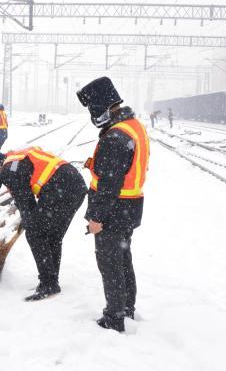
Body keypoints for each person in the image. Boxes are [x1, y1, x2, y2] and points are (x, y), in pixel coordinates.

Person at [76, 76, 150, 333]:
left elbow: (109, 184)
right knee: (123, 259)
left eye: (92, 109)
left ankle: (114, 317)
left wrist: (96, 218)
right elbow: (121, 170)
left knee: (110, 264)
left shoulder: (114, 137)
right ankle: (127, 307)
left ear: (102, 108)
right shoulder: (133, 127)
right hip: (130, 206)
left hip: (113, 210)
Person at [0, 147, 86, 301]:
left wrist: (29, 221)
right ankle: (51, 281)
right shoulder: (16, 158)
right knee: (53, 236)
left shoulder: (9, 170)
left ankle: (48, 283)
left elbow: (27, 205)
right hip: (75, 186)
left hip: (61, 189)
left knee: (35, 234)